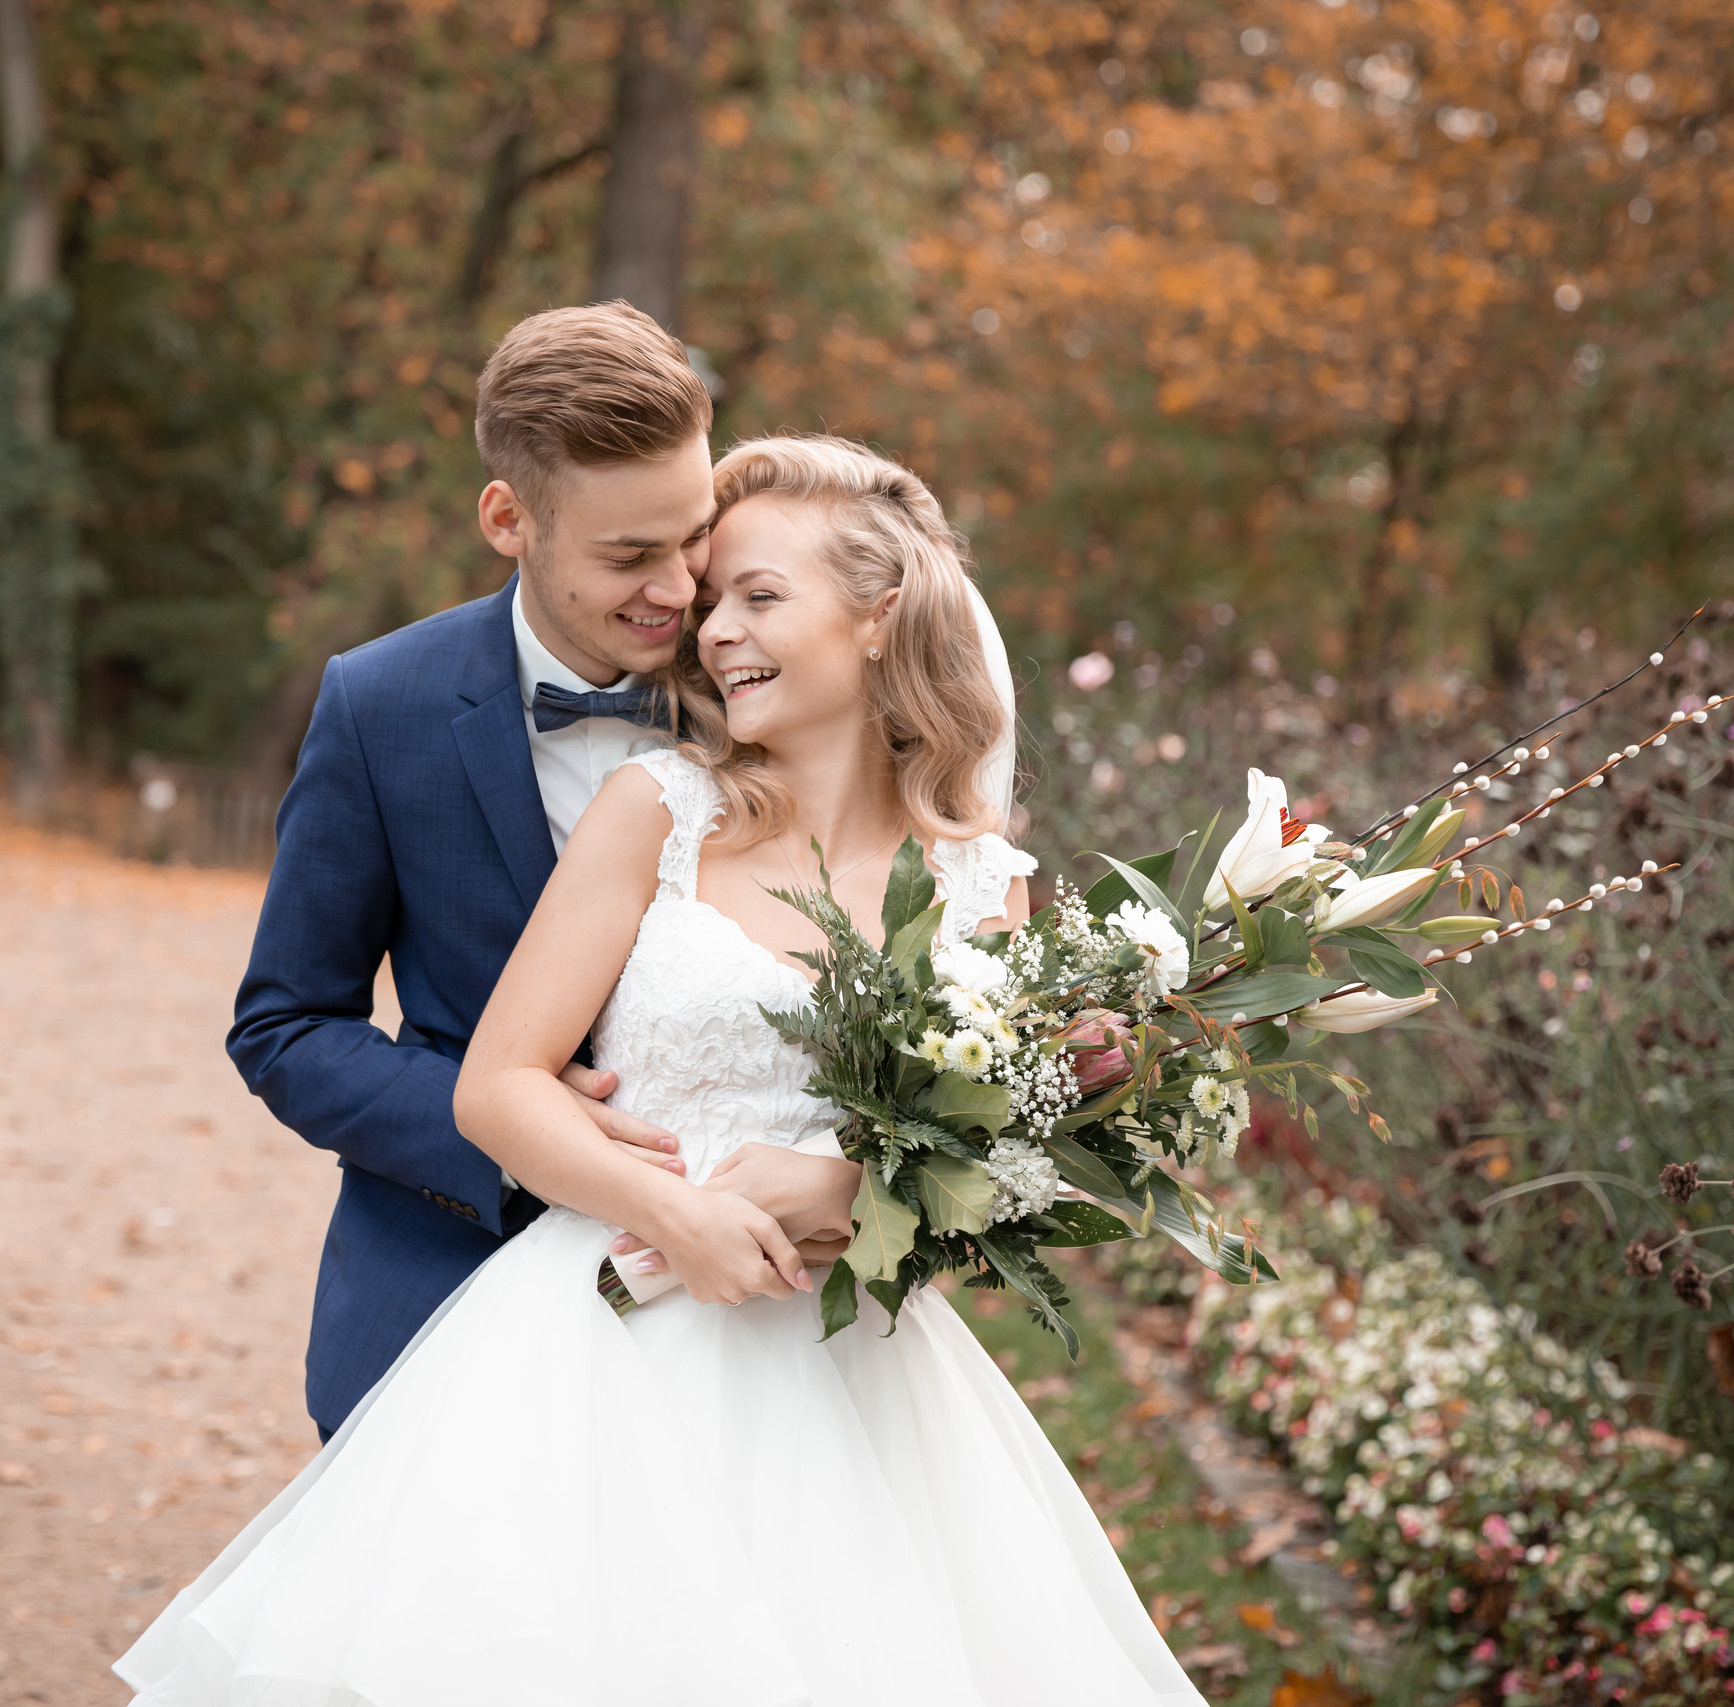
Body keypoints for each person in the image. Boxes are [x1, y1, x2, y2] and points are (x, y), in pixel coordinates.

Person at [120, 435, 1208, 1706]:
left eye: (759, 597)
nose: (712, 629)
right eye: (714, 598)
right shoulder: (658, 809)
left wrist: (853, 1189)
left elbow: (999, 1151)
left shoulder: (989, 887)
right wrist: (671, 1210)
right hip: (595, 1334)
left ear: (877, 616)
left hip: (849, 1382)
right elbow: (495, 1084)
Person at [227, 301, 874, 1440]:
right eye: (628, 556)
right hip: (445, 1279)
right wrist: (511, 1128)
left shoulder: (766, 680)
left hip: (741, 1328)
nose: (680, 592)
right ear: (507, 519)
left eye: (693, 538)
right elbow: (286, 1025)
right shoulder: (381, 707)